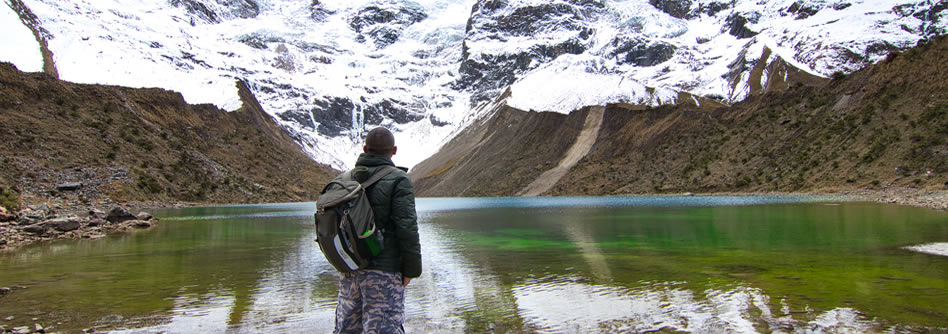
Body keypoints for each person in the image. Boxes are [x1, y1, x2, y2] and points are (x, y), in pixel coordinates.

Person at [335, 127, 422, 334]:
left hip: (349, 269)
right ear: (394, 151)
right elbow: (407, 227)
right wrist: (411, 270)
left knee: (346, 329)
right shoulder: (398, 179)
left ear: (365, 148)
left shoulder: (344, 179)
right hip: (384, 272)